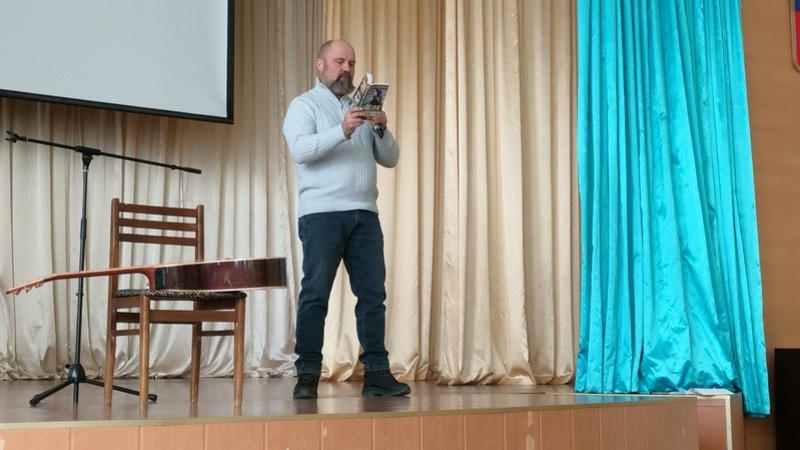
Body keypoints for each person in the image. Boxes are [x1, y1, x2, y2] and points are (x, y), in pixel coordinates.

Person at [282, 39, 410, 400]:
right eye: (339, 62)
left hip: (365, 214)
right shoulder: (304, 105)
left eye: (351, 63)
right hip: (322, 215)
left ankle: (378, 374)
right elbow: (300, 150)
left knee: (372, 296)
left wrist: (380, 128)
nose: (347, 69)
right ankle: (307, 374)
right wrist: (342, 129)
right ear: (320, 65)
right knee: (315, 295)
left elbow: (390, 158)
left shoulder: (361, 107)